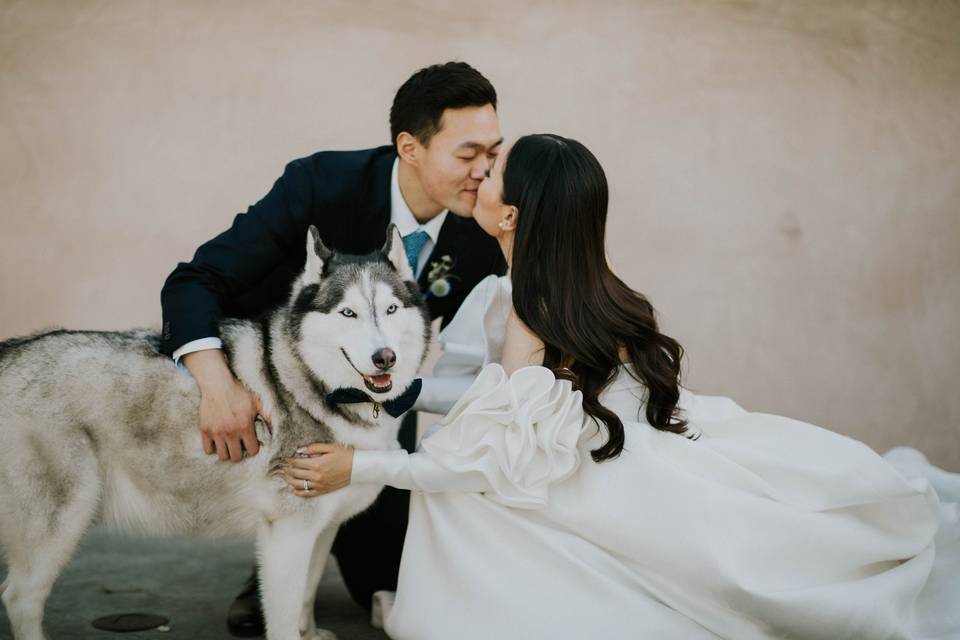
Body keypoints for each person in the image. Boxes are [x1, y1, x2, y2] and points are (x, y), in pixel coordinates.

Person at [283, 134, 960, 639]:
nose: (480, 175)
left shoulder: (524, 308)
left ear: (511, 216)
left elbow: (486, 457)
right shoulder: (580, 290)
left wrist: (361, 465)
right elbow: (505, 397)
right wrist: (409, 394)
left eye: (494, 174)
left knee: (471, 505)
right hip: (641, 444)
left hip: (607, 480)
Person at [159, 62, 506, 636]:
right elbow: (193, 281)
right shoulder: (321, 184)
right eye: (468, 155)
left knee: (394, 569)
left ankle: (356, 570)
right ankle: (271, 577)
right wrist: (217, 384)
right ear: (410, 147)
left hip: (379, 402)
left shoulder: (482, 225)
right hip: (276, 390)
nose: (485, 170)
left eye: (494, 152)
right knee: (287, 508)